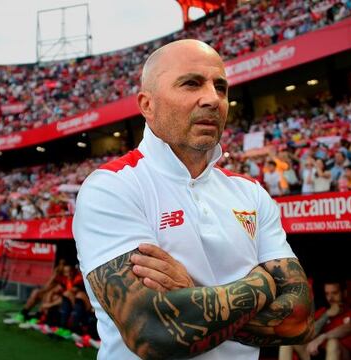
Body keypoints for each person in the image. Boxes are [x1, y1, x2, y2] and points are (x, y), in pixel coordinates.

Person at [73, 39, 313, 360]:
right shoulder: (111, 187)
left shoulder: (251, 193)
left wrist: (193, 298)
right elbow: (154, 333)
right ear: (147, 104)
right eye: (191, 84)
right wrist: (266, 283)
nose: (213, 99)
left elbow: (297, 321)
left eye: (221, 87)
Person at [279, 281, 351, 360]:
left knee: (333, 342)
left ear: (344, 293)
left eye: (334, 293)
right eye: (327, 294)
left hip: (346, 356)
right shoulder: (323, 312)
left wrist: (323, 337)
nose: (330, 298)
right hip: (319, 354)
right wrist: (326, 315)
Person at [3, 259, 68, 325]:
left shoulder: (68, 275)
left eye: (63, 265)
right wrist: (53, 276)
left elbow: (59, 290)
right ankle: (23, 314)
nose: (61, 267)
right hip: (53, 294)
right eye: (60, 264)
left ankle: (38, 317)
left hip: (60, 297)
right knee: (36, 292)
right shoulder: (58, 274)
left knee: (48, 295)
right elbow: (47, 286)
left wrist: (47, 292)